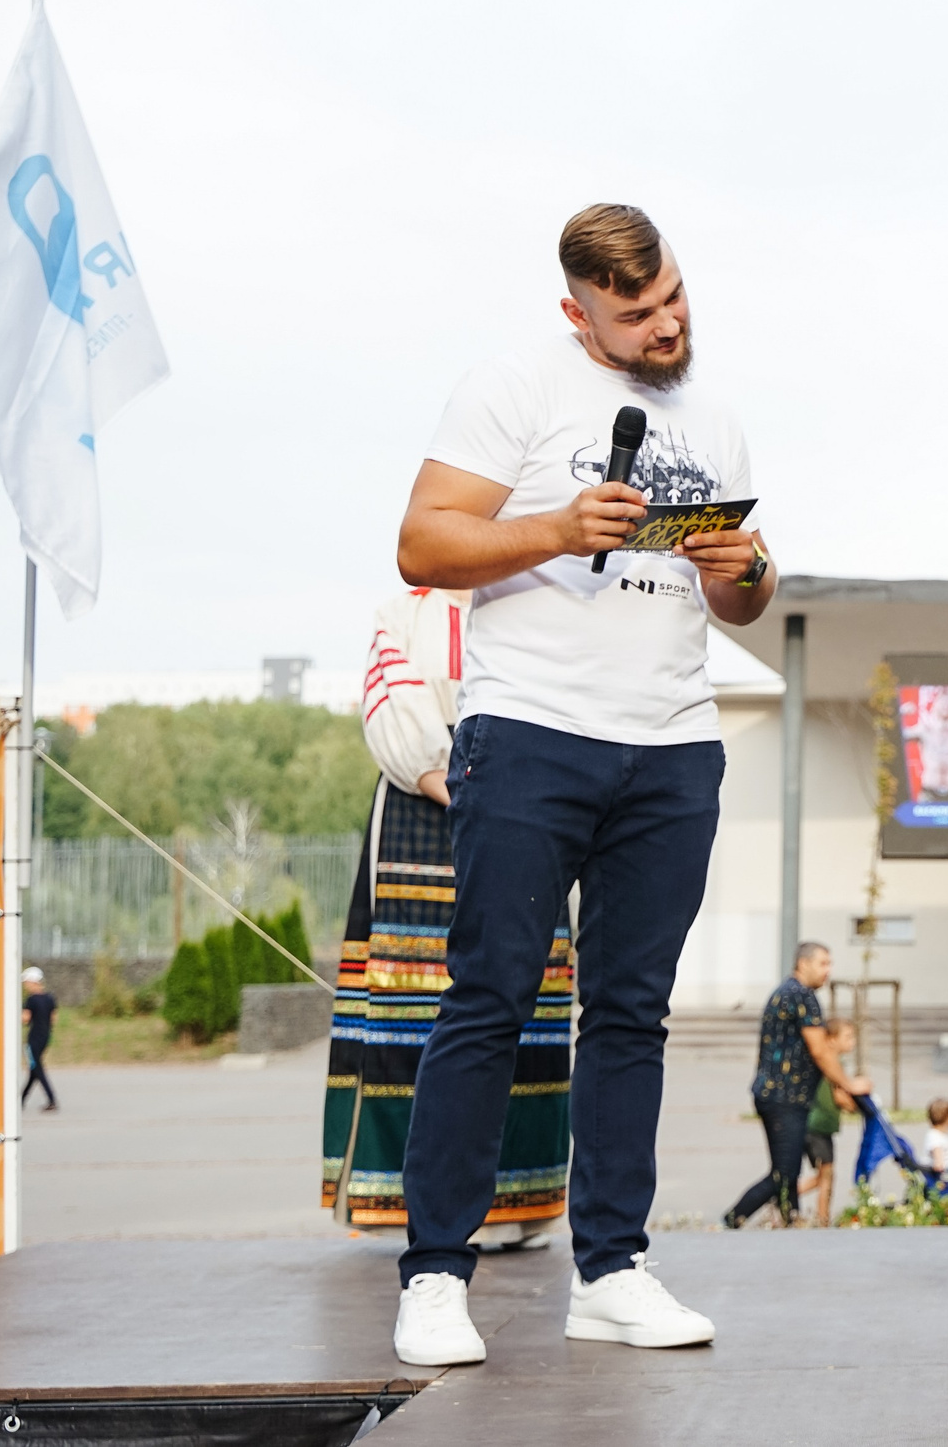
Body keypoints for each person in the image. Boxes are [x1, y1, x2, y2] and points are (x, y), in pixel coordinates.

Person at [388, 203, 774, 1367]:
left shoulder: (715, 414)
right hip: (532, 732)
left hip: (672, 742)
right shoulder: (511, 386)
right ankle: (434, 1276)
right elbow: (421, 544)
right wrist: (556, 528)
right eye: (635, 314)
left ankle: (611, 1268)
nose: (666, 325)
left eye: (673, 300)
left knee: (630, 1015)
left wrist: (742, 567)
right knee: (489, 1000)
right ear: (578, 311)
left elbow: (746, 602)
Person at [323, 586, 572, 1250]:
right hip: (424, 804)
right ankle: (409, 1200)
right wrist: (462, 789)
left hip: (528, 805)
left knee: (533, 1003)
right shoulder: (406, 613)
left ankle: (519, 1198)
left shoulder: (543, 590)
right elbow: (393, 709)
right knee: (413, 1004)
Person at [724, 943, 870, 1228]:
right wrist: (848, 1084)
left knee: (787, 1169)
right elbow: (820, 1050)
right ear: (803, 964)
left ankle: (791, 1220)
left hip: (777, 1095)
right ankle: (732, 1219)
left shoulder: (785, 992)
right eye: (823, 964)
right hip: (784, 1097)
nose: (828, 971)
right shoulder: (802, 996)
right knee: (784, 1173)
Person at [798, 1021, 858, 1223]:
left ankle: (818, 1214)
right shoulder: (830, 1062)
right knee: (826, 1175)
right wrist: (858, 1103)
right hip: (819, 1125)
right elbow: (840, 1097)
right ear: (831, 1040)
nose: (853, 1042)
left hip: (819, 1125)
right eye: (848, 1037)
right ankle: (822, 1219)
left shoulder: (833, 1061)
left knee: (825, 1175)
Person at [20, 967, 57, 1112]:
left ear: (33, 982)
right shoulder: (50, 998)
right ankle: (21, 1099)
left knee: (37, 1068)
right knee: (34, 1068)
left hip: (33, 1039)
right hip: (45, 1037)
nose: (25, 986)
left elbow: (25, 1019)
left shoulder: (31, 1000)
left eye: (26, 982)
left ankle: (51, 1098)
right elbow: (54, 1018)